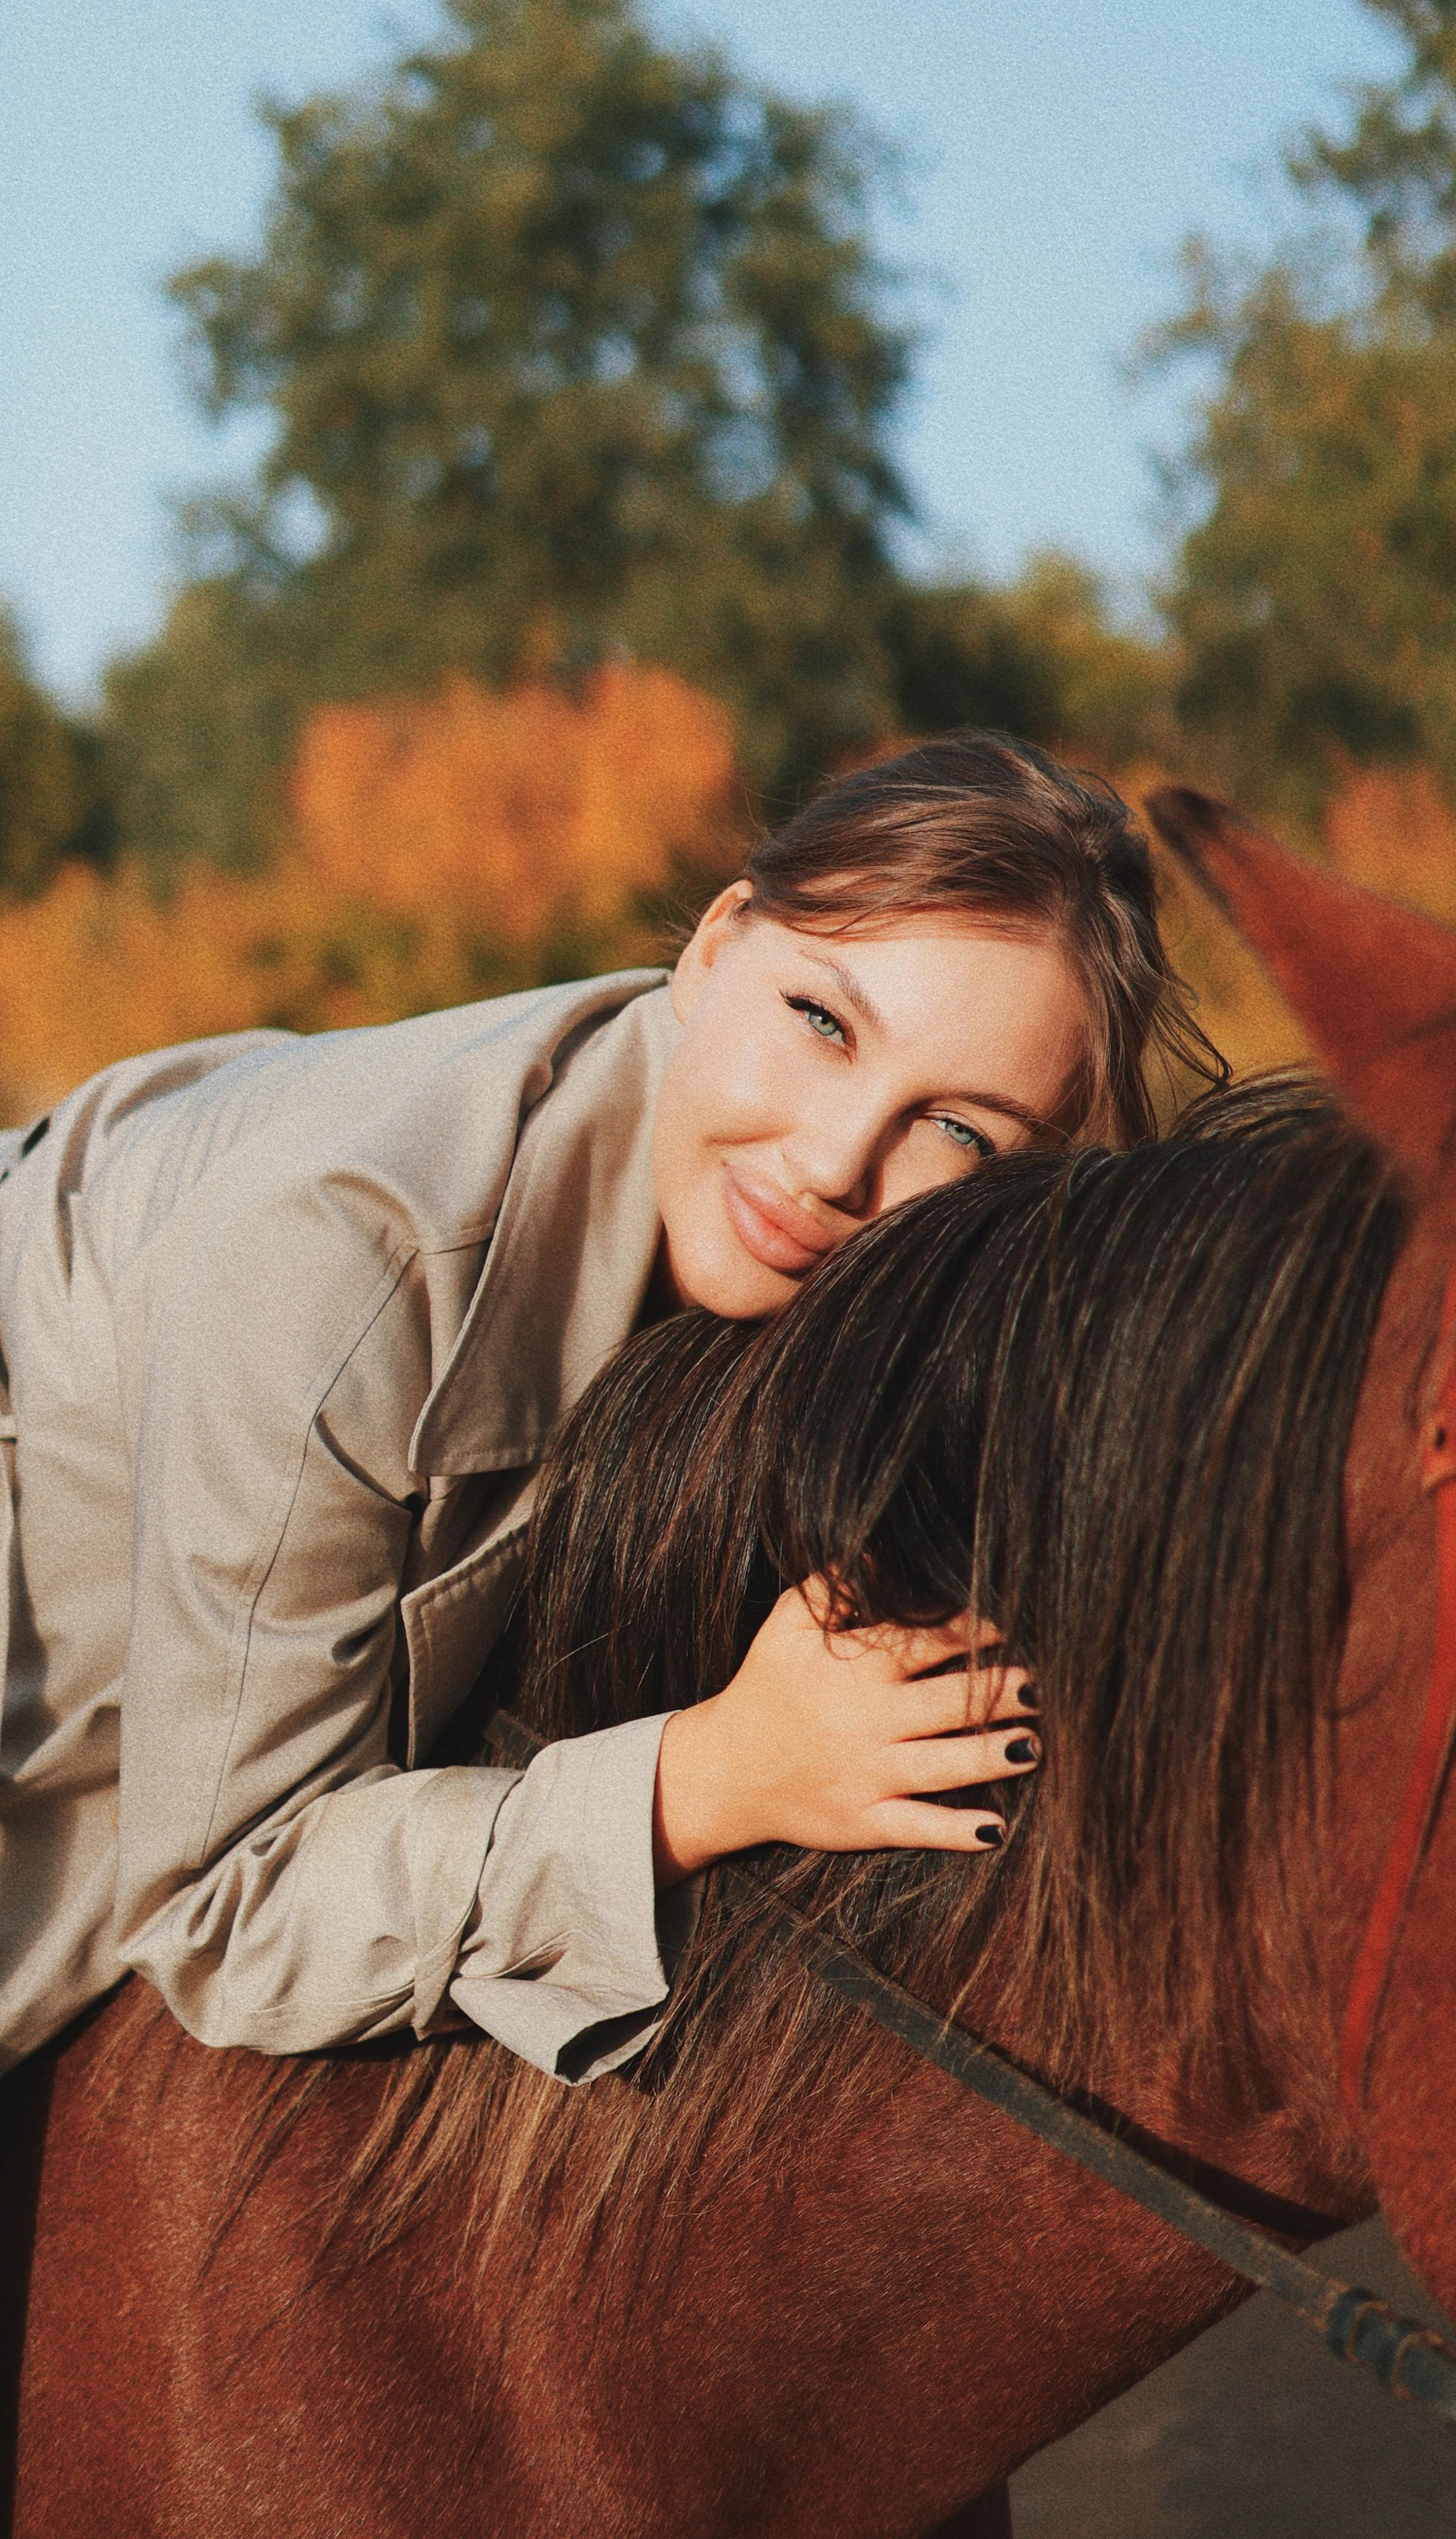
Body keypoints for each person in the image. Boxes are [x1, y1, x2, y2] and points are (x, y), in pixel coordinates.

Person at [0, 730, 1212, 2087]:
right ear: (712, 950)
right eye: (821, 1022)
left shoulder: (857, 1269)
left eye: (961, 1132)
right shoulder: (349, 1252)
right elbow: (227, 1912)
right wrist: (707, 1777)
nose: (828, 1164)